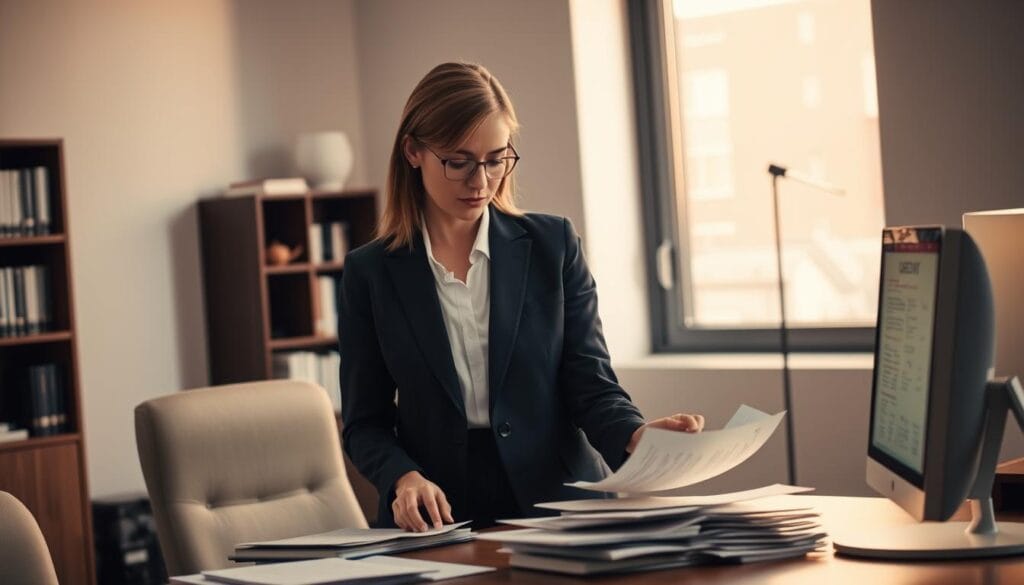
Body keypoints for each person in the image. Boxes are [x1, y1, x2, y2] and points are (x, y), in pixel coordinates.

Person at [339, 62, 705, 531]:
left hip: (558, 503)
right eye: (459, 161)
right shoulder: (369, 273)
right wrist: (403, 478)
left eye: (495, 159)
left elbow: (589, 381)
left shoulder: (553, 245)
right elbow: (364, 422)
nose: (481, 182)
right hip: (437, 514)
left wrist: (635, 435)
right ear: (413, 152)